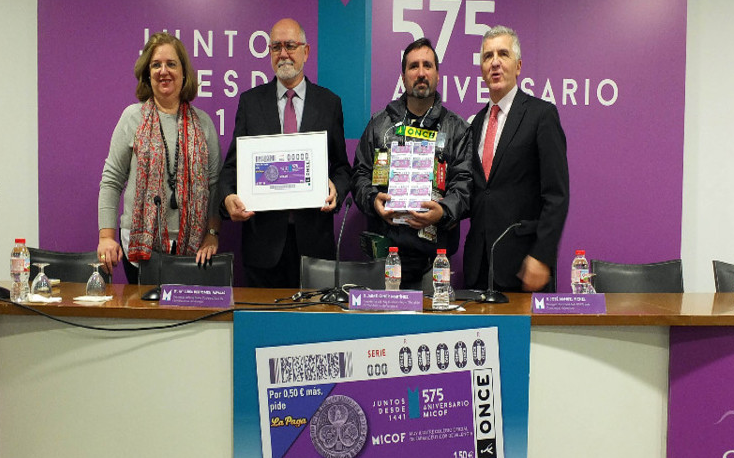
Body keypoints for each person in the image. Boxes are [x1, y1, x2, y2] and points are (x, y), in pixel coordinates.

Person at [219, 18, 352, 288]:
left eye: (290, 45)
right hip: (263, 247)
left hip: (314, 246)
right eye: (276, 47)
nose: (283, 54)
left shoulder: (329, 103)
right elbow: (232, 167)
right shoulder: (250, 102)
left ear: (306, 51)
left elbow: (342, 167)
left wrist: (336, 189)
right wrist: (227, 198)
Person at [98, 32, 223, 283]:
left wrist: (212, 233)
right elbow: (112, 181)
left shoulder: (204, 123)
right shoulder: (132, 117)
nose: (163, 71)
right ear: (147, 74)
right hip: (140, 245)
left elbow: (215, 185)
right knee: (144, 308)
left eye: (171, 64)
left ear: (184, 72)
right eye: (156, 65)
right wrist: (106, 237)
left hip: (193, 247)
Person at [352, 38, 472, 288]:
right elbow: (360, 175)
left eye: (427, 65)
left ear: (437, 74)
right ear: (403, 76)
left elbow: (465, 184)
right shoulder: (379, 125)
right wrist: (373, 201)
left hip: (436, 260)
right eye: (413, 66)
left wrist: (443, 211)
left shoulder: (457, 129)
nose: (421, 73)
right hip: (385, 256)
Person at [464, 26, 569, 292]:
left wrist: (542, 255)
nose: (495, 62)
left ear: (518, 66)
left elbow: (556, 195)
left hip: (525, 266)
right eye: (488, 56)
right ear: (481, 69)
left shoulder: (541, 115)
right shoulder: (475, 124)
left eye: (503, 54)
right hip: (478, 267)